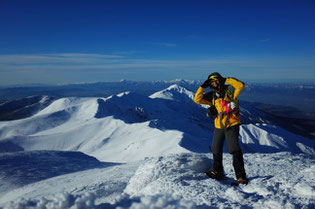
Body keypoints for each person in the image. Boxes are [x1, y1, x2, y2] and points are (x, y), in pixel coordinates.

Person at [194, 72, 249, 185]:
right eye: (212, 82)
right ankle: (217, 172)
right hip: (219, 125)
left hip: (232, 123)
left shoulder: (229, 90)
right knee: (216, 148)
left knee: (233, 148)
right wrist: (202, 86)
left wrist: (226, 79)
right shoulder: (212, 95)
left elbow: (240, 85)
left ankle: (241, 177)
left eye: (216, 80)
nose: (215, 83)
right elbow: (197, 99)